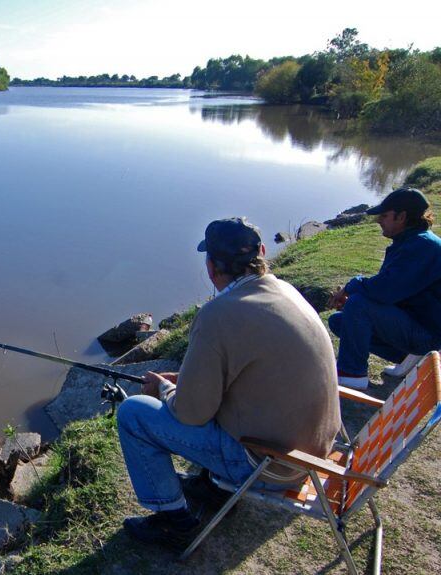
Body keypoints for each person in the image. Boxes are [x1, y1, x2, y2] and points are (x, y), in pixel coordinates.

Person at [117, 217, 341, 548]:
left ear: (211, 267)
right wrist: (183, 380)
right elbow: (252, 373)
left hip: (270, 467)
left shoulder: (218, 315)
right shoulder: (286, 291)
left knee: (134, 413)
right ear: (262, 251)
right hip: (315, 451)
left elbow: (190, 413)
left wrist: (165, 389)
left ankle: (173, 522)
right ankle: (214, 488)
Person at [327, 187, 441, 389]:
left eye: (385, 215)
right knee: (340, 321)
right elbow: (393, 292)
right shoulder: (411, 241)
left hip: (430, 336)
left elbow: (383, 291)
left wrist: (352, 286)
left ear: (402, 217)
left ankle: (352, 374)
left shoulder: (422, 246)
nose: (379, 220)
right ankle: (409, 358)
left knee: (359, 304)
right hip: (420, 325)